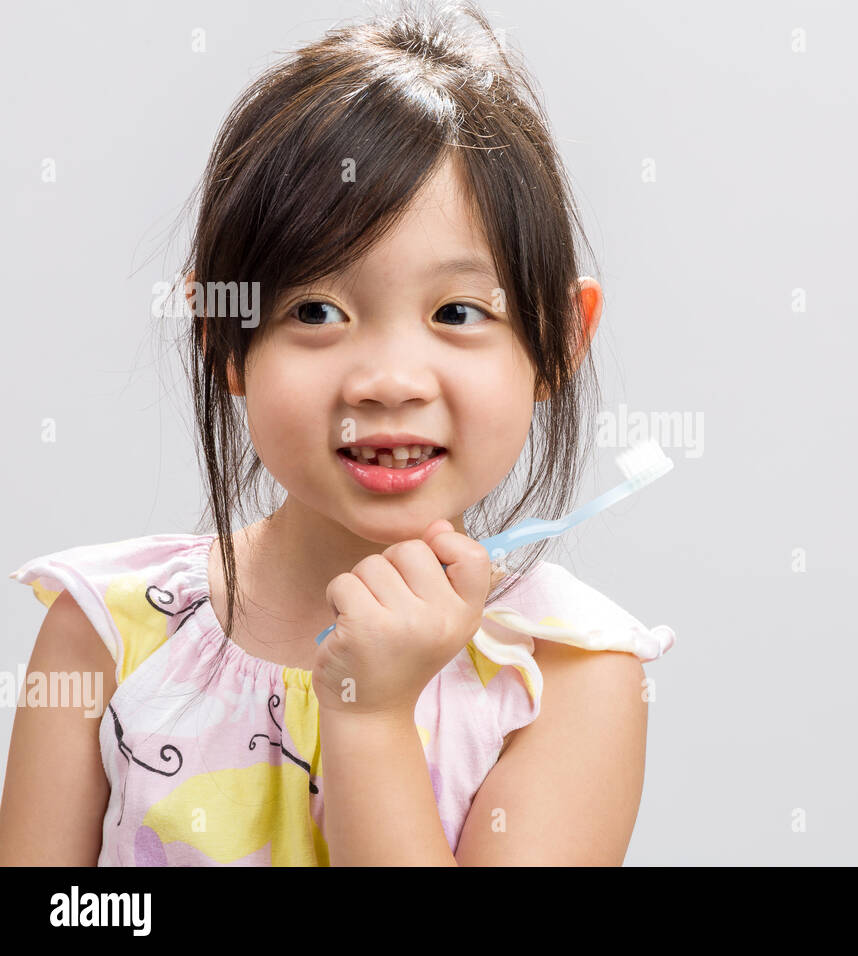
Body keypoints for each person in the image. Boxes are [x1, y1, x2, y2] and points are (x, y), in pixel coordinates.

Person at [0, 0, 676, 866]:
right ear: (226, 342)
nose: (389, 379)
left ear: (558, 340)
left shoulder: (567, 676)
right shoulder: (104, 633)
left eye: (457, 311)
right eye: (317, 310)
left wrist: (367, 716)